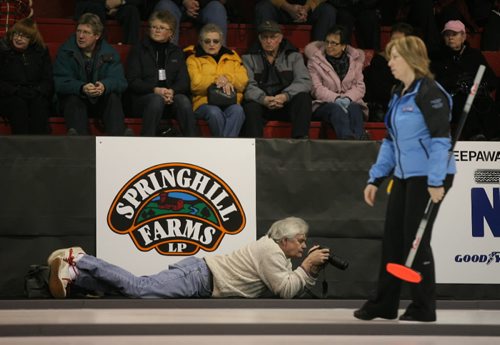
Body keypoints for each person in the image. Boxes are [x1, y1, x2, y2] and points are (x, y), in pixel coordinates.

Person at [354, 35, 456, 322]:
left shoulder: (431, 94)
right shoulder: (399, 92)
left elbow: (440, 141)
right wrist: (375, 178)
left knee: (415, 239)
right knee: (393, 240)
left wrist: (436, 181)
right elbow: (390, 141)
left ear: (413, 59)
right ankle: (384, 304)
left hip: (430, 176)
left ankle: (424, 307)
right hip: (403, 175)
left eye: (396, 57)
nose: (390, 63)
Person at [47, 217, 331, 299]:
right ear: (284, 240)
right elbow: (285, 291)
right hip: (199, 277)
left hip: (200, 278)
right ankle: (80, 259)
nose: (304, 246)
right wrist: (307, 268)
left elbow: (291, 284)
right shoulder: (271, 251)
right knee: (139, 288)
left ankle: (76, 278)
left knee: (139, 294)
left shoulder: (278, 255)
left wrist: (310, 272)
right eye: (301, 240)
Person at [53, 13, 131, 136]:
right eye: (78, 31)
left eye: (86, 32)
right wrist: (81, 88)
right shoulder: (66, 51)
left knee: (112, 98)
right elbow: (60, 82)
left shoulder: (110, 53)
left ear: (97, 35)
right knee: (73, 99)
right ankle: (79, 142)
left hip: (100, 100)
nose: (81, 36)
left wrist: (104, 86)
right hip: (75, 100)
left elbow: (120, 81)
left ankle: (118, 138)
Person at [126, 10, 198, 137]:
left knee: (183, 101)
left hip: (170, 99)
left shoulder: (177, 52)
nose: (157, 30)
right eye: (154, 27)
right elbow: (133, 81)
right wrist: (155, 90)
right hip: (143, 100)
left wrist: (171, 91)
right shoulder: (138, 50)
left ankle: (193, 142)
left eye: (162, 27)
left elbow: (184, 82)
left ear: (171, 33)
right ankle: (147, 141)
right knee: (156, 100)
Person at [242, 20, 312, 138]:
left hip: (286, 103)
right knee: (250, 106)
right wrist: (263, 99)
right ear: (259, 38)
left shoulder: (294, 56)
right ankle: (255, 146)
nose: (268, 41)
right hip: (263, 104)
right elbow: (248, 86)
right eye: (265, 37)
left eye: (273, 37)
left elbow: (304, 81)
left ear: (280, 38)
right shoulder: (248, 58)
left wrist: (285, 96)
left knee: (303, 98)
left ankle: (300, 142)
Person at [432, 20, 499, 140]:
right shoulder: (437, 57)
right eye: (447, 34)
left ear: (463, 36)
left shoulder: (474, 55)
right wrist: (456, 82)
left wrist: (482, 85)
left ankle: (495, 137)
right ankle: (475, 136)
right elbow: (433, 83)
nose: (451, 37)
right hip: (451, 99)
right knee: (463, 100)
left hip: (475, 95)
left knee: (486, 101)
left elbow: (491, 79)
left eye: (454, 34)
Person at [305, 25, 368, 139]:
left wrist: (347, 98)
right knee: (336, 109)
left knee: (354, 108)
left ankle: (360, 142)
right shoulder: (314, 60)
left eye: (334, 43)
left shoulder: (355, 60)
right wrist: (336, 99)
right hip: (323, 104)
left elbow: (359, 87)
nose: (329, 46)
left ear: (343, 46)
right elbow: (316, 88)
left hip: (351, 102)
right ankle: (347, 141)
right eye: (327, 42)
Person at [185, 23, 247, 137]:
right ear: (201, 42)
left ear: (221, 41)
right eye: (207, 41)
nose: (212, 44)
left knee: (238, 111)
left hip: (230, 101)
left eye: (216, 41)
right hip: (204, 102)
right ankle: (226, 150)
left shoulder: (233, 57)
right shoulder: (193, 59)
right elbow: (195, 84)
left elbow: (243, 81)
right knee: (214, 112)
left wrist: (228, 79)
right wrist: (217, 79)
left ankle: (222, 149)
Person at [0, 17, 53, 134]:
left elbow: (47, 79)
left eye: (24, 36)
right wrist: (14, 90)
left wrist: (38, 90)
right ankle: (21, 147)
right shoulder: (3, 50)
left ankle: (38, 147)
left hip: (35, 92)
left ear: (32, 39)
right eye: (16, 34)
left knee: (39, 104)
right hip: (9, 95)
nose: (18, 38)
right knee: (18, 104)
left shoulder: (41, 51)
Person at [363, 22, 414, 122]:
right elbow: (379, 91)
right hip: (383, 105)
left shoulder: (413, 62)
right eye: (392, 40)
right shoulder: (379, 60)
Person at [254, 0, 337, 42]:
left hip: (307, 10)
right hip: (280, 8)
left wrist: (306, 8)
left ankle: (320, 58)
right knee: (263, 8)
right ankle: (266, 56)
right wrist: (288, 8)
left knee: (328, 11)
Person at [153, 0, 227, 45]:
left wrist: (195, 4)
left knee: (217, 9)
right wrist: (184, 1)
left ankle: (216, 62)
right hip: (174, 5)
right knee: (165, 6)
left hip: (203, 6)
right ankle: (166, 61)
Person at [74, 0, 142, 45]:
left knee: (131, 11)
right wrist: (105, 3)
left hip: (120, 8)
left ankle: (131, 50)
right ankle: (100, 50)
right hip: (96, 6)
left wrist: (120, 2)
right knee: (96, 8)